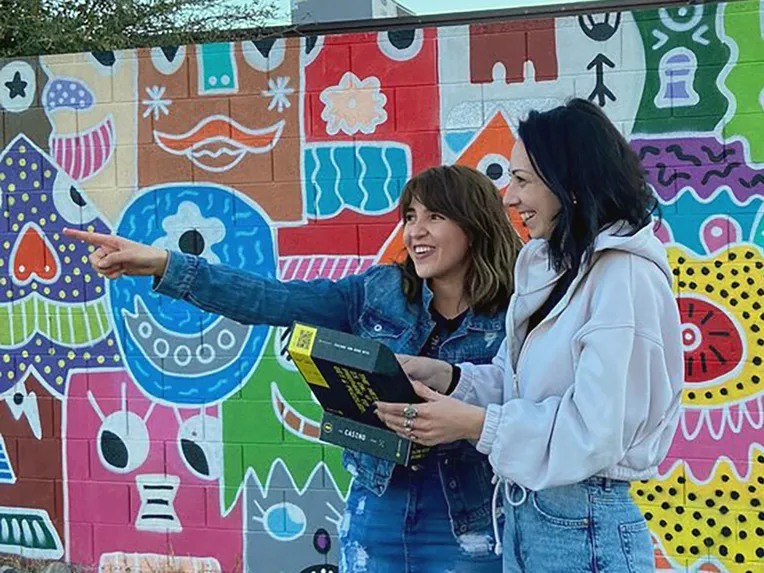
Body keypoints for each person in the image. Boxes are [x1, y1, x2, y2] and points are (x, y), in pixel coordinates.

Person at [65, 165, 523, 573]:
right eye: (410, 217)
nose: (415, 232)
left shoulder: (517, 312)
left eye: (434, 217)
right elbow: (275, 299)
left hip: (471, 517)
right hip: (377, 505)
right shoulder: (379, 290)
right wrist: (164, 263)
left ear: (474, 224)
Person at [375, 98, 685, 573]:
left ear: (571, 184)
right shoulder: (557, 268)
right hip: (529, 520)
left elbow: (594, 431)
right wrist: (449, 377)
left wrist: (473, 425)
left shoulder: (623, 277)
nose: (509, 197)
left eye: (522, 180)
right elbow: (521, 385)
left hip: (584, 528)